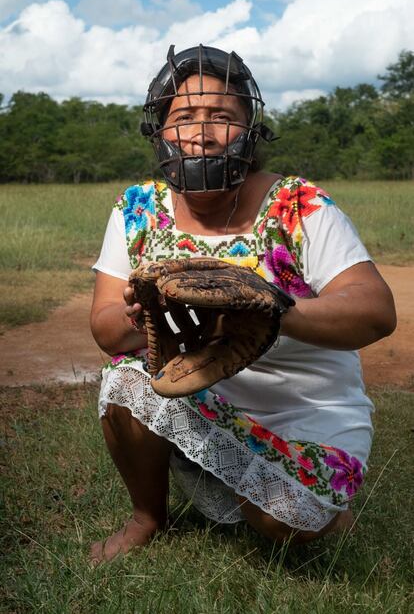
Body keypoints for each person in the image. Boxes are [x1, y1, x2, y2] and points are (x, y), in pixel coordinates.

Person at [90, 45, 396, 564]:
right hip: (203, 399)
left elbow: (375, 310)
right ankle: (148, 517)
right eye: (184, 117)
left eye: (222, 117)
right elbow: (104, 329)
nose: (202, 132)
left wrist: (274, 308)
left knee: (279, 522)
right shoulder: (136, 208)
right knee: (125, 382)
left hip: (310, 411)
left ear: (250, 131)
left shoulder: (298, 204)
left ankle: (306, 501)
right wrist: (140, 318)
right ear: (161, 131)